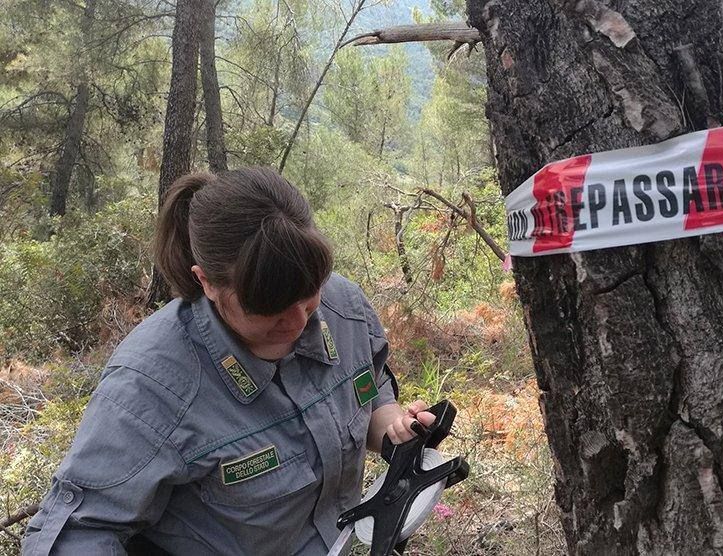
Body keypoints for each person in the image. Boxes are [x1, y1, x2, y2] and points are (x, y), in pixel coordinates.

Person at [21, 167, 435, 555]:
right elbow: (76, 533)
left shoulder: (343, 307)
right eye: (268, 309)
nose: (296, 323)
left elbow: (370, 384)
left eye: (308, 298)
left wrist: (390, 426)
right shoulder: (152, 386)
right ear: (207, 283)